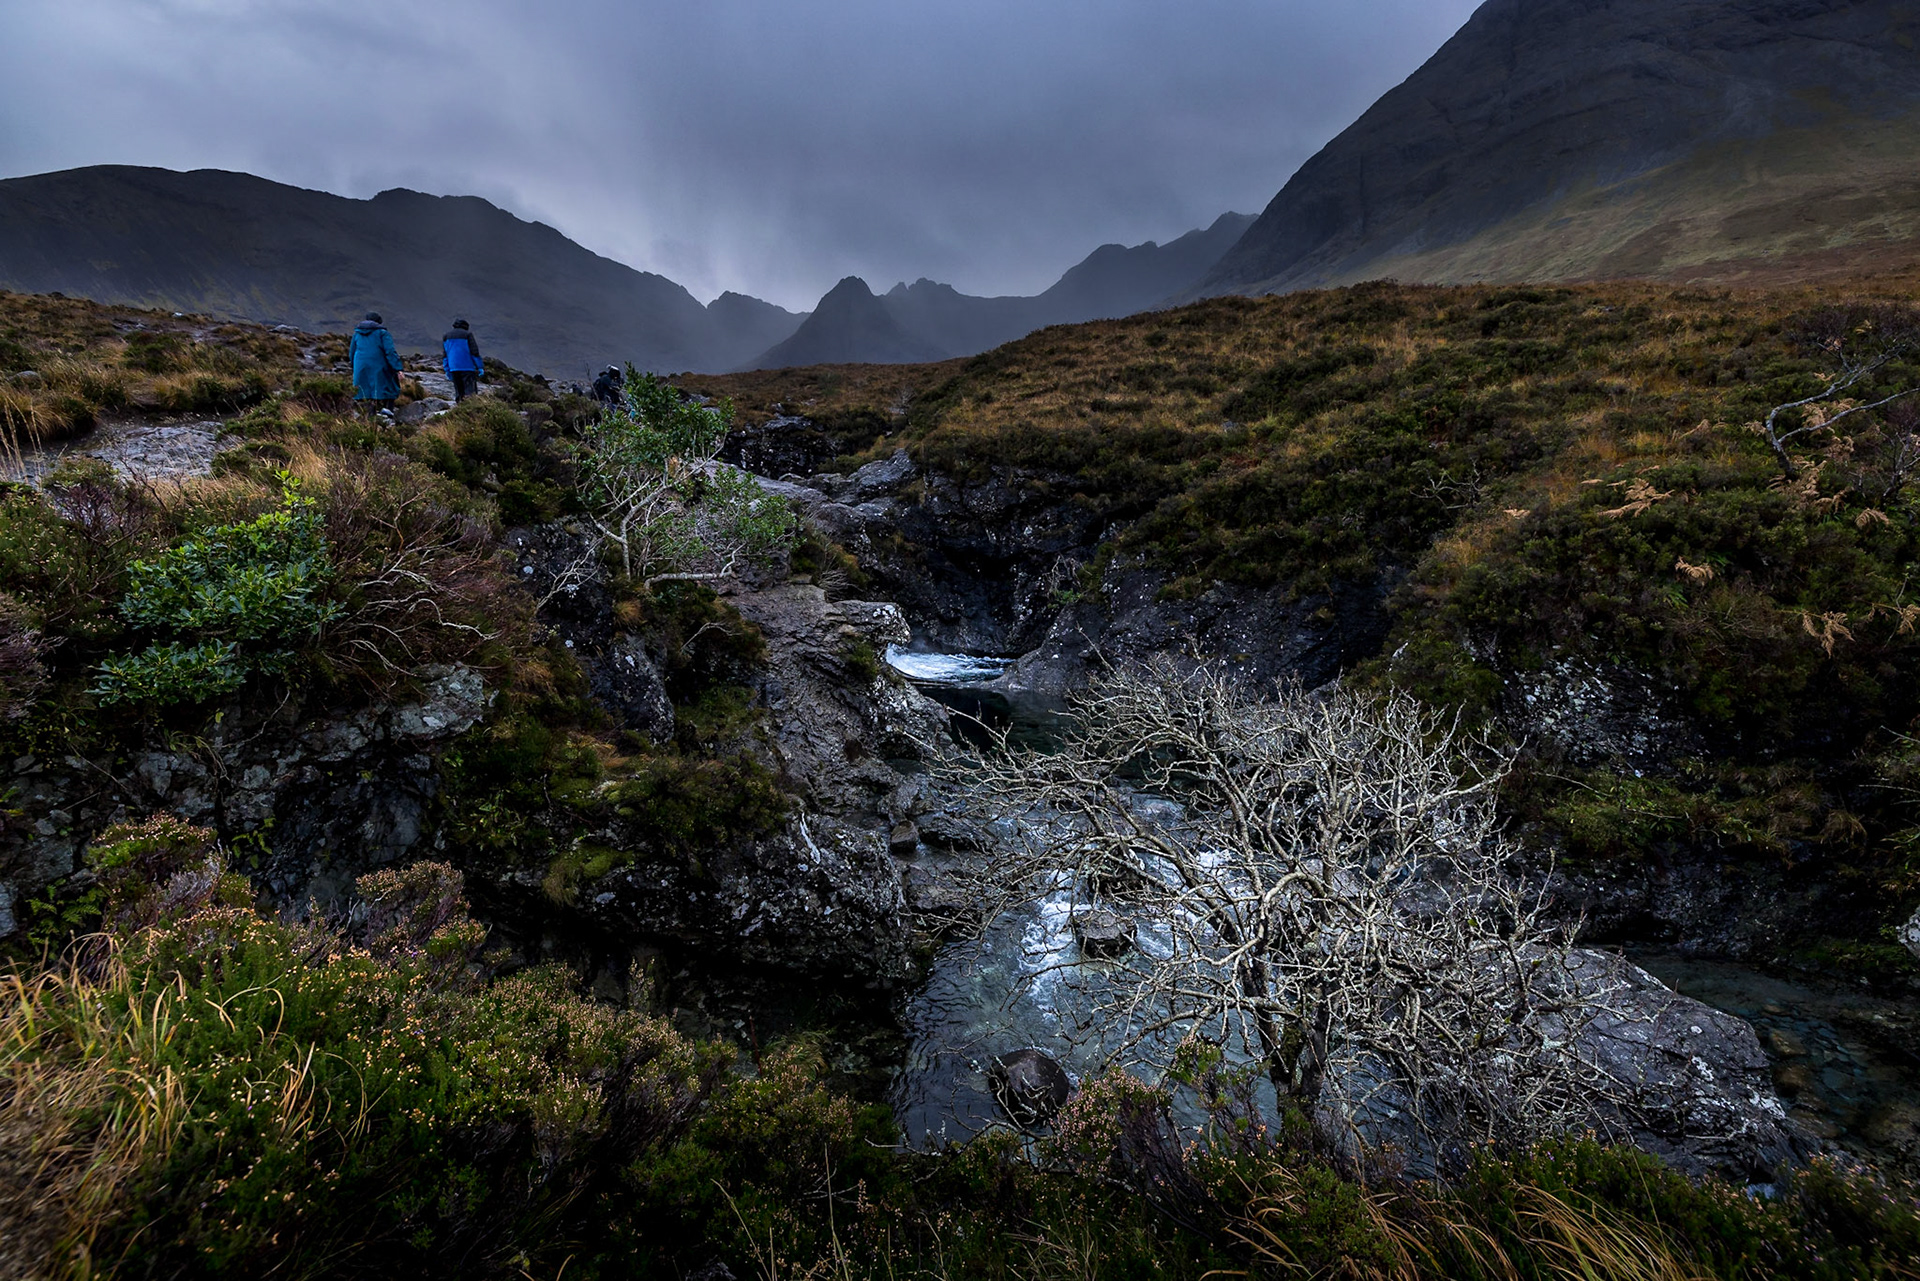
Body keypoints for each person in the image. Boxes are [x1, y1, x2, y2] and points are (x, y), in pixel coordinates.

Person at [348, 312, 403, 414]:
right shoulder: (382, 333)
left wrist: (354, 366)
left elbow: (352, 352)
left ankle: (369, 414)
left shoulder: (357, 334)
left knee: (365, 388)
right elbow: (390, 351)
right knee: (390, 384)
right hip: (379, 365)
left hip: (361, 365)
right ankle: (388, 413)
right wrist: (397, 368)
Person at [442, 319, 484, 403]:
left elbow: (445, 355)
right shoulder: (467, 335)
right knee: (470, 393)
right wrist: (480, 367)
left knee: (459, 392)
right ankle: (471, 412)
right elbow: (474, 352)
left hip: (453, 368)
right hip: (467, 368)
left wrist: (447, 370)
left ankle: (459, 409)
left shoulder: (446, 336)